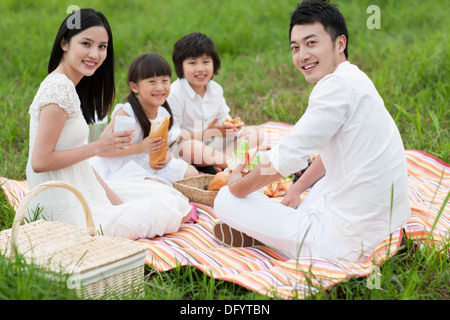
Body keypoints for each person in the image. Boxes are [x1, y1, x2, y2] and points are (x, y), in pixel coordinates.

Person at [213, 0, 411, 262]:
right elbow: (332, 153)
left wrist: (237, 185)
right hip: (387, 225)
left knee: (225, 199)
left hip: (344, 246)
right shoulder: (355, 77)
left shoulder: (334, 89)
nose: (301, 55)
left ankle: (272, 237)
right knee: (317, 184)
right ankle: (274, 229)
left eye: (311, 43)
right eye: (295, 47)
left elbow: (288, 152)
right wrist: (296, 189)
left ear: (340, 44)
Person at [26, 8, 193, 240]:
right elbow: (40, 162)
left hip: (77, 185)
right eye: (86, 44)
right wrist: (98, 147)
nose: (95, 54)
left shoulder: (68, 86)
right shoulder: (58, 89)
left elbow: (80, 163)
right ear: (64, 43)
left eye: (102, 46)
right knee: (165, 210)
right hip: (62, 202)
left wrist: (114, 202)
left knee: (164, 194)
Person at [90, 53, 199, 185]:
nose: (160, 87)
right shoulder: (126, 114)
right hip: (121, 166)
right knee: (153, 185)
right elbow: (101, 150)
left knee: (191, 174)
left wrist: (167, 156)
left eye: (164, 81)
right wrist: (141, 147)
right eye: (151, 82)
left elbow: (165, 144)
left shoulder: (163, 113)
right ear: (134, 87)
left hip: (148, 163)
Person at [167, 32, 264, 173]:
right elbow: (171, 136)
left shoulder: (216, 89)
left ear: (214, 63)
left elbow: (225, 117)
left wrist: (231, 128)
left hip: (213, 146)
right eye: (192, 63)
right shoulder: (174, 93)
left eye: (206, 62)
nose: (200, 68)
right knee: (188, 147)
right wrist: (205, 133)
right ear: (180, 66)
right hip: (187, 150)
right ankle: (233, 164)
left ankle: (218, 165)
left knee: (256, 132)